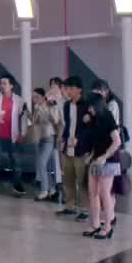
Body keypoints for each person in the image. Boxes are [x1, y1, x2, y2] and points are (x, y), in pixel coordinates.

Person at [81, 93, 122, 239]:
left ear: (98, 105)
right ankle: (95, 224)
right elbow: (95, 141)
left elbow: (117, 141)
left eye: (91, 107)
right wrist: (91, 155)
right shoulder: (93, 120)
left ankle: (108, 227)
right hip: (96, 159)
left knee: (105, 193)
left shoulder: (107, 117)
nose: (89, 110)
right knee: (93, 193)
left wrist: (104, 156)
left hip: (108, 160)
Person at [0, 74, 28, 196]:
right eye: (1, 83)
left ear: (11, 86)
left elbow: (24, 117)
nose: (2, 86)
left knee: (16, 163)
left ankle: (16, 184)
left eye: (5, 83)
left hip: (13, 136)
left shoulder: (18, 100)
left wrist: (23, 133)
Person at [56, 76, 90, 221]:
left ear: (79, 89)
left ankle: (84, 210)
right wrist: (63, 139)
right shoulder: (66, 105)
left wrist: (78, 138)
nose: (68, 91)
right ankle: (70, 206)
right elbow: (67, 125)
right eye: (67, 88)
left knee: (81, 181)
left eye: (70, 88)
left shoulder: (87, 105)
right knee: (68, 179)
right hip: (67, 148)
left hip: (81, 149)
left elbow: (89, 128)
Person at [29, 88, 62, 201]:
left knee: (42, 163)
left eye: (37, 97)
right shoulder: (36, 107)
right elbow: (35, 122)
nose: (34, 99)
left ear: (43, 97)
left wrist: (45, 107)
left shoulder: (51, 105)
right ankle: (52, 189)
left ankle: (44, 190)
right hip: (40, 137)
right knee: (44, 165)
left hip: (49, 137)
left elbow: (55, 120)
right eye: (33, 97)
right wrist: (30, 112)